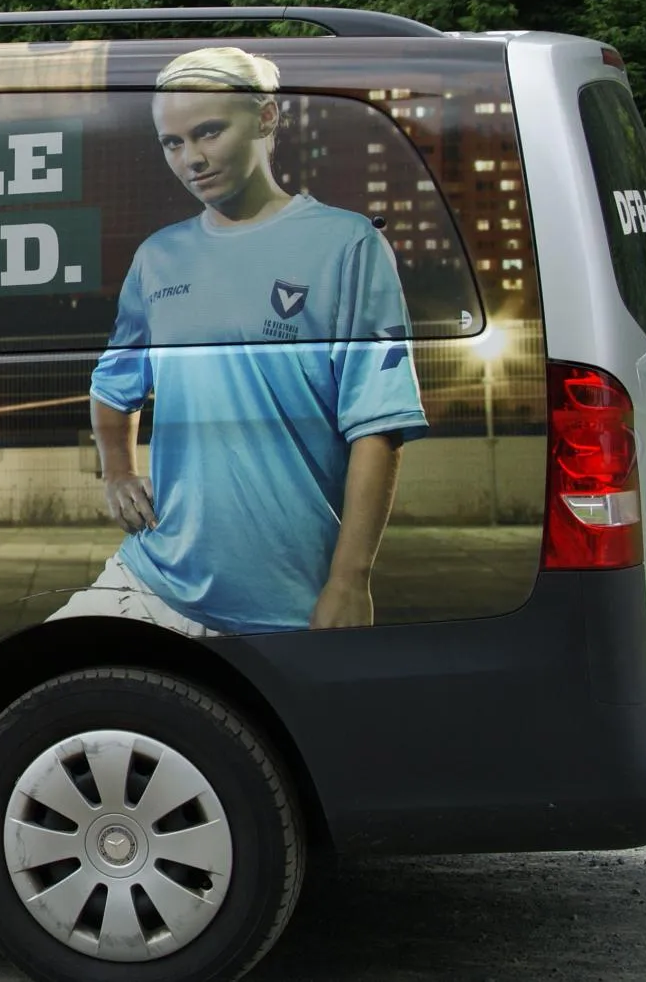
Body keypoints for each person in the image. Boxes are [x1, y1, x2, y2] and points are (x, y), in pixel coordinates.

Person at [52, 46, 428, 636]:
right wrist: (118, 472)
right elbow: (112, 385)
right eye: (173, 143)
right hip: (153, 579)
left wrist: (349, 580)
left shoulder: (347, 244)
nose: (192, 159)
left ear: (266, 117)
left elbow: (378, 426)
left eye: (208, 132)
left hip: (289, 606)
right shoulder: (158, 256)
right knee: (36, 684)